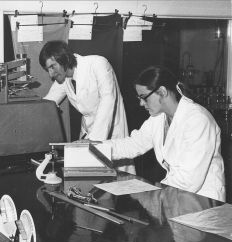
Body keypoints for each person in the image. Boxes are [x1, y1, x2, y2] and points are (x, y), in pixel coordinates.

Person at [104, 65, 225, 202]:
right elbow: (134, 144)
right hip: (177, 196)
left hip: (203, 201)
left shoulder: (198, 120)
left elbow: (188, 180)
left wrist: (152, 196)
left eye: (144, 97)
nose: (141, 104)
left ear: (162, 92)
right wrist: (95, 147)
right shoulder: (158, 118)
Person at [39, 40, 134, 173]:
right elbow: (47, 104)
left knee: (118, 182)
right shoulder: (64, 79)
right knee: (91, 182)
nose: (50, 74)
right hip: (88, 135)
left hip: (111, 133)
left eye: (52, 66)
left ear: (64, 58)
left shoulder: (98, 64)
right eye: (47, 69)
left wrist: (93, 141)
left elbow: (108, 101)